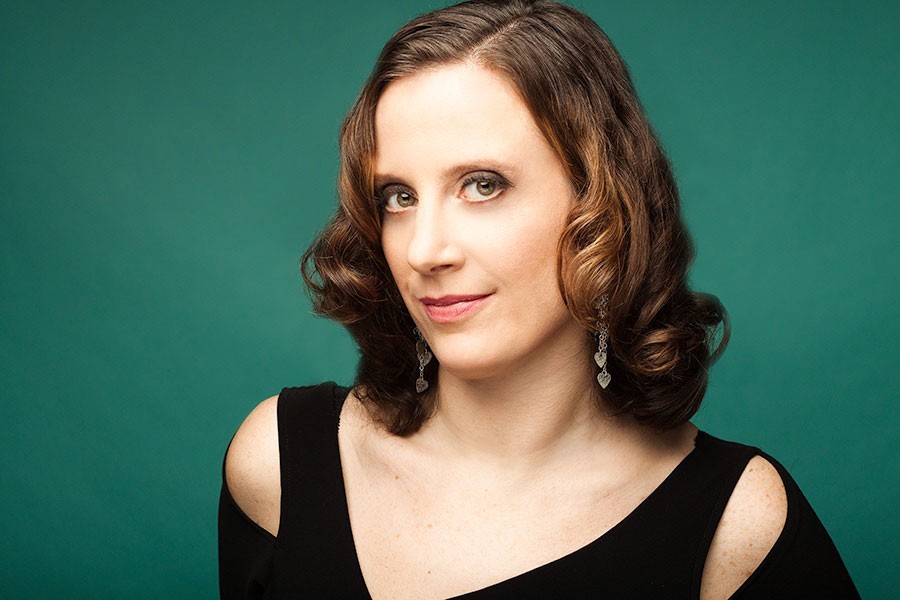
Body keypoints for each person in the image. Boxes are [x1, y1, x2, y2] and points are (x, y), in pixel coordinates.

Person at [217, 1, 859, 597]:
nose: (425, 250)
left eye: (482, 185)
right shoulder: (279, 465)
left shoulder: (736, 526)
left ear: (601, 205)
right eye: (399, 197)